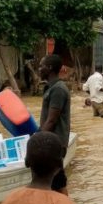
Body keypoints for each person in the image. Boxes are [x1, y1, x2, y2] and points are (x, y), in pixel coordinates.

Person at [39, 54, 70, 194]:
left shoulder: (58, 89)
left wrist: (37, 141)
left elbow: (52, 120)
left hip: (53, 143)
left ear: (49, 68)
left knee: (57, 183)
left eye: (41, 66)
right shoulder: (51, 88)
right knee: (53, 182)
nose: (39, 69)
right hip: (51, 142)